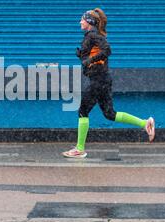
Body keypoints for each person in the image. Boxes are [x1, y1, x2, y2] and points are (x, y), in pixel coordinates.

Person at [62, 8, 155, 158]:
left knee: (82, 110)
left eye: (82, 19)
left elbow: (107, 50)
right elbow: (97, 54)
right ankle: (145, 123)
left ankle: (79, 149)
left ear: (89, 22)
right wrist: (83, 56)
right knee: (110, 114)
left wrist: (89, 60)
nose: (80, 22)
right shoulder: (92, 36)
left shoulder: (93, 36)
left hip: (98, 79)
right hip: (103, 79)